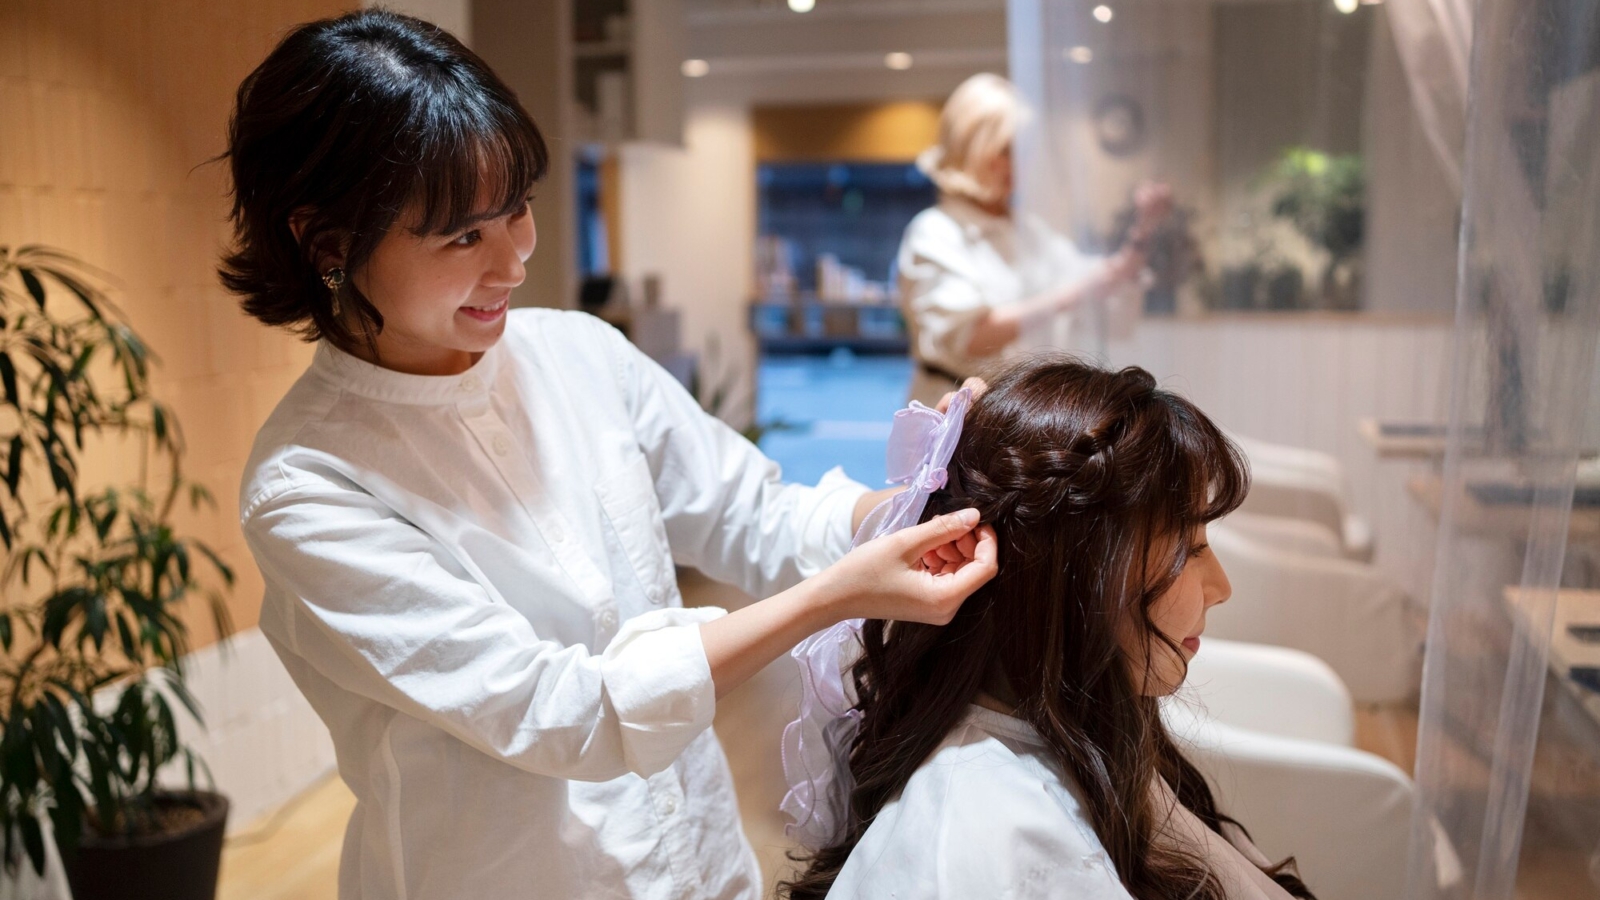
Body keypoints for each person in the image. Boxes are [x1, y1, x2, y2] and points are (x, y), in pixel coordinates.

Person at [222, 11, 996, 900]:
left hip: (700, 860)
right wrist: (837, 596)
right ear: (328, 247)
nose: (513, 261)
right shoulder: (309, 485)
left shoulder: (577, 355)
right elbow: (564, 714)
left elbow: (756, 511)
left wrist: (925, 495)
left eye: (518, 209)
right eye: (462, 237)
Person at [780, 358, 1316, 900]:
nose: (1221, 586)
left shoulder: (1095, 731)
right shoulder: (987, 842)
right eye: (1190, 550)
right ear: (1077, 577)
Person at [898, 73, 1173, 406]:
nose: (1016, 163)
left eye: (1022, 149)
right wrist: (1069, 296)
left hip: (1020, 411)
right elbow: (970, 336)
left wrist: (1142, 231)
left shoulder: (1029, 231)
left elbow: (1100, 281)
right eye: (1005, 150)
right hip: (955, 409)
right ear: (971, 150)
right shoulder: (935, 232)